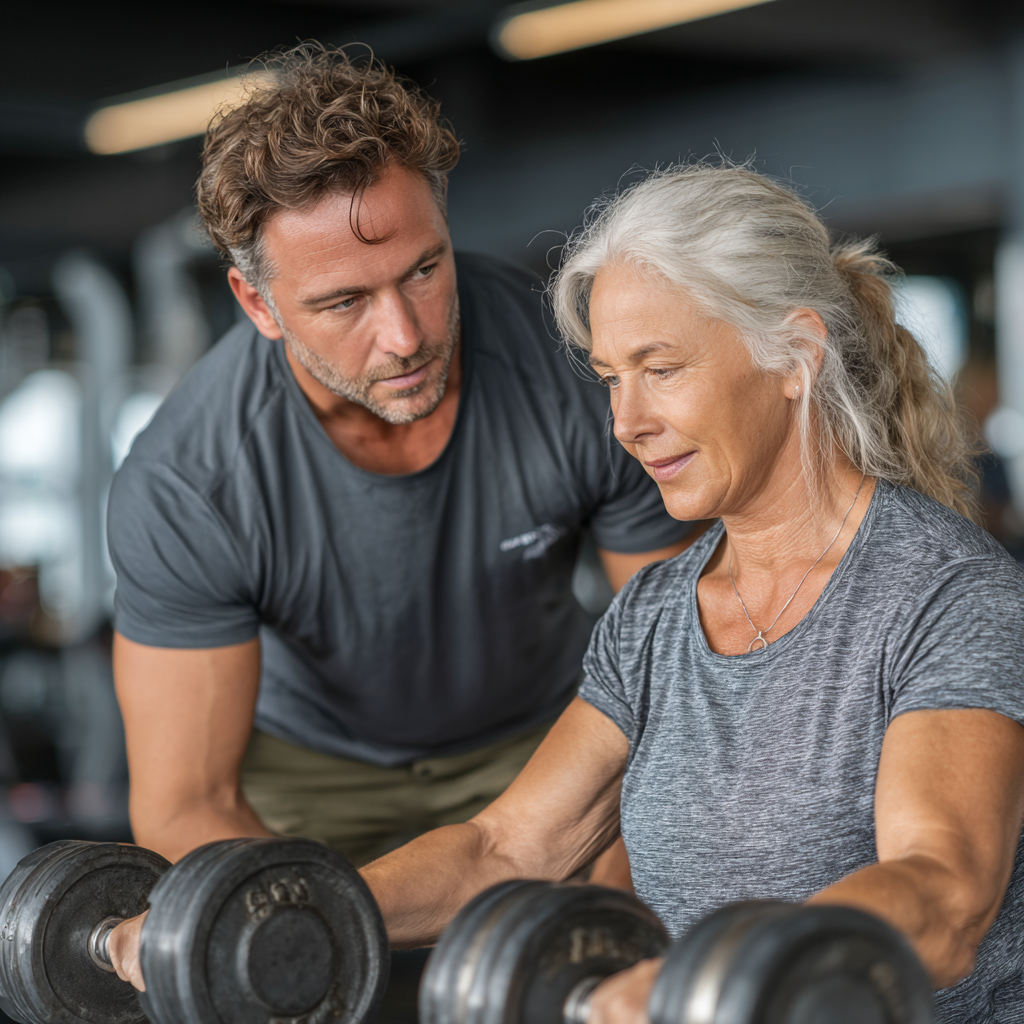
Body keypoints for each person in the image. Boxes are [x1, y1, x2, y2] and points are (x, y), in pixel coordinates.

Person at [111, 164, 1024, 1023]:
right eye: (609, 380)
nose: (627, 424)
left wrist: (694, 983)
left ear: (794, 356)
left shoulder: (944, 597)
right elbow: (506, 849)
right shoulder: (658, 615)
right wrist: (265, 911)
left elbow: (941, 893)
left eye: (661, 370)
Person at [106, 45, 692, 877]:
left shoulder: (576, 368)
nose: (407, 335)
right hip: (316, 773)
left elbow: (680, 672)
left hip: (544, 738)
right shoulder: (189, 483)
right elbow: (184, 805)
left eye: (423, 269)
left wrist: (620, 885)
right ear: (257, 305)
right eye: (344, 301)